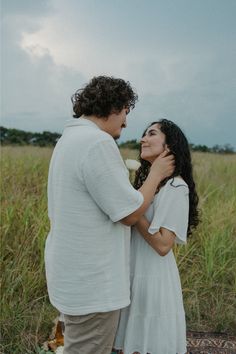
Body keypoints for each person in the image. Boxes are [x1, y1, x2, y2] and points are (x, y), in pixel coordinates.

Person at [44, 76, 175, 354]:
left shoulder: (70, 138)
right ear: (113, 107)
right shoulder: (97, 143)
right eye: (126, 112)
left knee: (72, 345)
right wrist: (156, 174)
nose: (126, 123)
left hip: (72, 273)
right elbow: (128, 214)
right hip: (91, 282)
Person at [114, 119, 199, 354]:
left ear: (169, 147)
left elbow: (163, 245)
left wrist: (133, 211)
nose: (143, 139)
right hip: (131, 270)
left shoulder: (175, 187)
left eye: (151, 134)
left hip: (151, 277)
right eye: (143, 134)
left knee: (148, 342)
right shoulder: (148, 183)